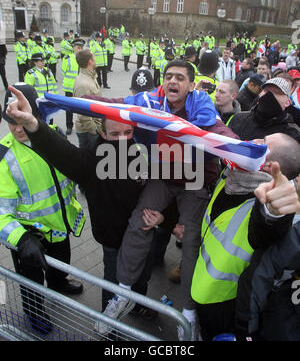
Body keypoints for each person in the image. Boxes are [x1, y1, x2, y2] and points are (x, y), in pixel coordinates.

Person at [82, 59, 239, 340]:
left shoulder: (201, 104)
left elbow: (219, 131)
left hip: (195, 180)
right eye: (168, 76)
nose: (173, 82)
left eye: (180, 77)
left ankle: (188, 315)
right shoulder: (149, 100)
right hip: (164, 177)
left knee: (190, 240)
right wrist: (85, 100)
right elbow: (118, 104)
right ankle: (124, 293)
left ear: (191, 85)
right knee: (139, 220)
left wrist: (242, 149)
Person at [5, 84, 163, 324]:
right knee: (113, 286)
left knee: (142, 276)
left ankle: (138, 305)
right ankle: (109, 326)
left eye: (127, 133)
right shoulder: (91, 161)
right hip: (112, 240)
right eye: (114, 134)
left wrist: (164, 218)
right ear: (102, 133)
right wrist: (33, 125)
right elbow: (62, 152)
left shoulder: (143, 152)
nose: (122, 140)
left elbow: (164, 187)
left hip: (143, 234)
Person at [191, 133, 300, 340]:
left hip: (222, 301)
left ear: (268, 167)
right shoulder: (233, 175)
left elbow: (266, 226)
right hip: (201, 281)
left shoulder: (263, 200)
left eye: (262, 144)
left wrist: (274, 212)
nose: (254, 140)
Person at [1, 84, 86, 335]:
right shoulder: (4, 154)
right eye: (10, 121)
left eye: (21, 119)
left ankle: (58, 283)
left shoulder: (54, 134)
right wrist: (21, 239)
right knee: (31, 282)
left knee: (60, 264)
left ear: (36, 115)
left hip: (60, 225)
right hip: (29, 237)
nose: (17, 128)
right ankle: (34, 312)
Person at [229, 77, 300, 144]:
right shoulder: (239, 119)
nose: (269, 95)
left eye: (277, 92)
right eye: (266, 91)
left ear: (287, 102)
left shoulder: (292, 133)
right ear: (260, 94)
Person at [73, 49, 102, 150]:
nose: (96, 60)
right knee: (90, 161)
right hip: (88, 132)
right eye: (94, 58)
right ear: (90, 61)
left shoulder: (91, 77)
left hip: (93, 128)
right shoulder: (83, 84)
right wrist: (94, 130)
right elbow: (81, 112)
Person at [62, 38, 85, 135]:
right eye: (78, 47)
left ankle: (82, 125)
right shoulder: (67, 58)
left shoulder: (84, 58)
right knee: (69, 108)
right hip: (70, 87)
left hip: (81, 87)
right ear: (74, 48)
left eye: (81, 48)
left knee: (82, 107)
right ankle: (69, 126)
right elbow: (64, 71)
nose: (79, 49)